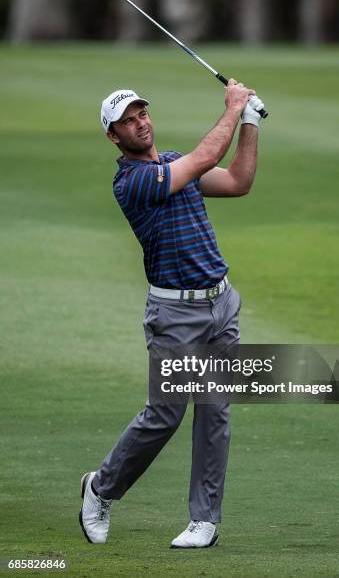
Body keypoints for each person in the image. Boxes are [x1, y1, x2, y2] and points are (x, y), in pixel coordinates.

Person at [79, 79, 265, 548]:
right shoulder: (135, 181)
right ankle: (101, 488)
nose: (139, 122)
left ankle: (205, 520)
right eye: (127, 120)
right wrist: (233, 106)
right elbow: (203, 160)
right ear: (113, 137)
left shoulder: (170, 163)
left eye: (141, 113)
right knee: (164, 416)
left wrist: (248, 123)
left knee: (215, 412)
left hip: (221, 304)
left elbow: (238, 182)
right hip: (174, 314)